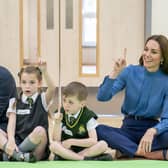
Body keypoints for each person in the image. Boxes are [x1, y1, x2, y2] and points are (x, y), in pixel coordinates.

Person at [96, 35, 168, 160]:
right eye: (146, 49)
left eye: (154, 52)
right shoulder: (129, 72)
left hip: (151, 130)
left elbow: (167, 119)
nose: (147, 54)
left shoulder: (166, 81)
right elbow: (102, 97)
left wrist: (152, 131)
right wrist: (115, 72)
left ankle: (127, 150)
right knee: (98, 129)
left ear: (162, 57)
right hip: (128, 129)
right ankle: (147, 153)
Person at [5, 60, 55, 162]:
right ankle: (20, 157)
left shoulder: (42, 99)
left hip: (37, 149)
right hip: (18, 143)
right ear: (20, 83)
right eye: (24, 82)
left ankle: (14, 155)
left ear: (39, 83)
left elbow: (52, 88)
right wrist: (10, 140)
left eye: (32, 82)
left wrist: (44, 71)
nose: (27, 86)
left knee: (40, 131)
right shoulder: (14, 101)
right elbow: (11, 125)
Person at [49, 81, 112, 161]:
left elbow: (93, 141)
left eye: (70, 102)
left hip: (84, 149)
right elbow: (56, 140)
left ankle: (70, 158)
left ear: (82, 104)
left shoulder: (88, 116)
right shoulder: (60, 112)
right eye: (64, 100)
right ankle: (83, 159)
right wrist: (57, 123)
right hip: (66, 149)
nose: (66, 105)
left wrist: (72, 141)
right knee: (53, 146)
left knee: (103, 145)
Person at [0, 66, 18, 160]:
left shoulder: (3, 77)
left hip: (4, 125)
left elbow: (9, 113)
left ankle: (16, 155)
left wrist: (11, 138)